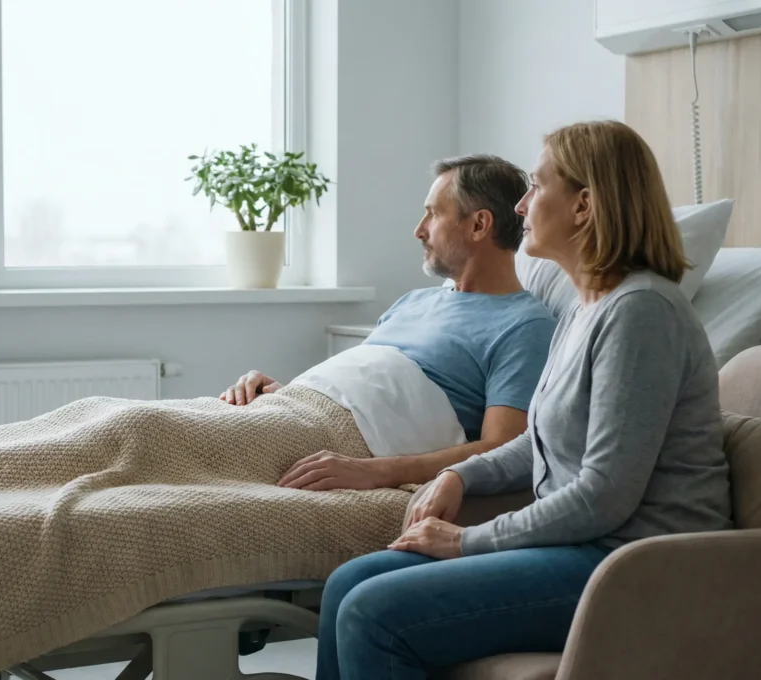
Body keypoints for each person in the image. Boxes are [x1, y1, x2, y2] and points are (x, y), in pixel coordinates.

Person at [314, 120, 734, 680]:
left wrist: (469, 541)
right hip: (586, 546)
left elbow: (605, 495)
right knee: (346, 584)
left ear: (583, 205)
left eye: (536, 187)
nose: (521, 205)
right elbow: (536, 441)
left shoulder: (641, 313)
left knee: (373, 613)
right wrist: (462, 476)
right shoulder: (587, 308)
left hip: (636, 564)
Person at [222, 154, 556, 491]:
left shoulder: (524, 326)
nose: (419, 230)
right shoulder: (412, 301)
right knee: (177, 425)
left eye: (434, 214)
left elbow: (502, 450)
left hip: (347, 446)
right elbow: (360, 394)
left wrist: (376, 471)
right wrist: (281, 392)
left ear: (479, 225)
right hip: (291, 414)